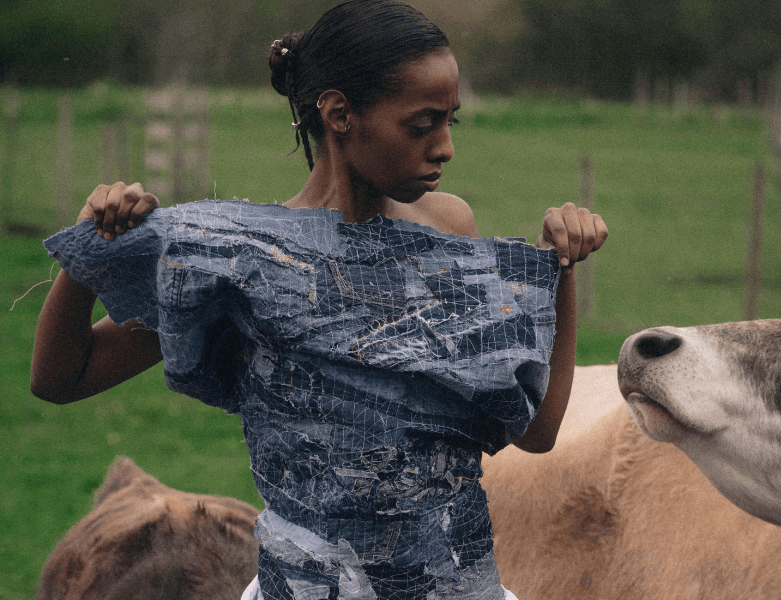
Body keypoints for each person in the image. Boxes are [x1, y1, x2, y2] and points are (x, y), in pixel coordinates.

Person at [31, 1, 606, 598]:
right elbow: (60, 377)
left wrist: (559, 273)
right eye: (421, 124)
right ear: (339, 114)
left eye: (450, 123)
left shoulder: (448, 231)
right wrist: (88, 257)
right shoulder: (239, 263)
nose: (444, 148)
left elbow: (536, 431)